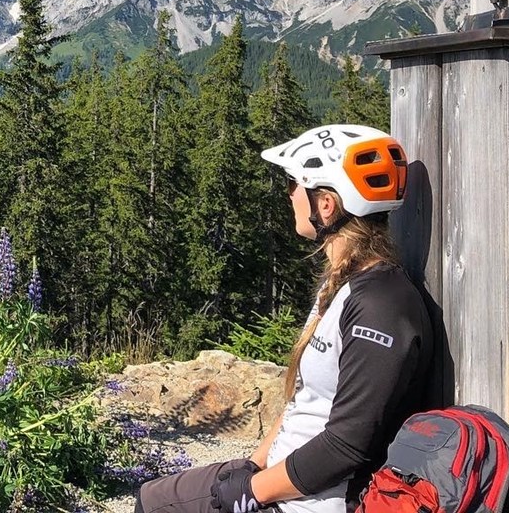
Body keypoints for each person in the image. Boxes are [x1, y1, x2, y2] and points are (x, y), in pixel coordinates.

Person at [135, 125, 434, 513]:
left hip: (315, 501)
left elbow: (347, 445)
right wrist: (254, 463)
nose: (289, 195)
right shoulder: (343, 282)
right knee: (151, 498)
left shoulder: (380, 307)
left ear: (326, 204)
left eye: (295, 184)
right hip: (282, 479)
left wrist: (254, 490)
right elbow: (303, 400)